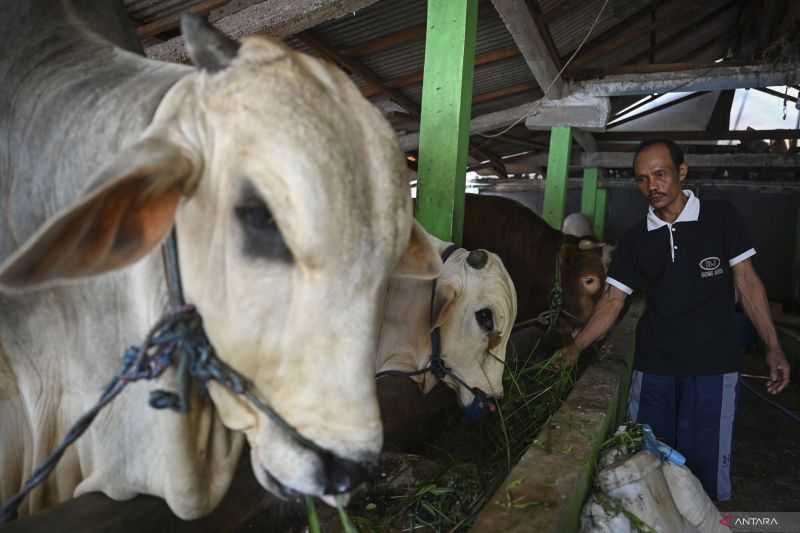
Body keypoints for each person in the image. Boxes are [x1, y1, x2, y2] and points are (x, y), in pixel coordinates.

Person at [560, 140, 791, 502]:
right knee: (647, 467)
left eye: (660, 174)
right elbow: (613, 301)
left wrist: (773, 345)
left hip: (714, 366)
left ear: (682, 172)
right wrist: (575, 348)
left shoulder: (721, 217)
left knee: (704, 474)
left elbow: (746, 282)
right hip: (655, 369)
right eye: (641, 179)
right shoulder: (635, 240)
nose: (651, 186)